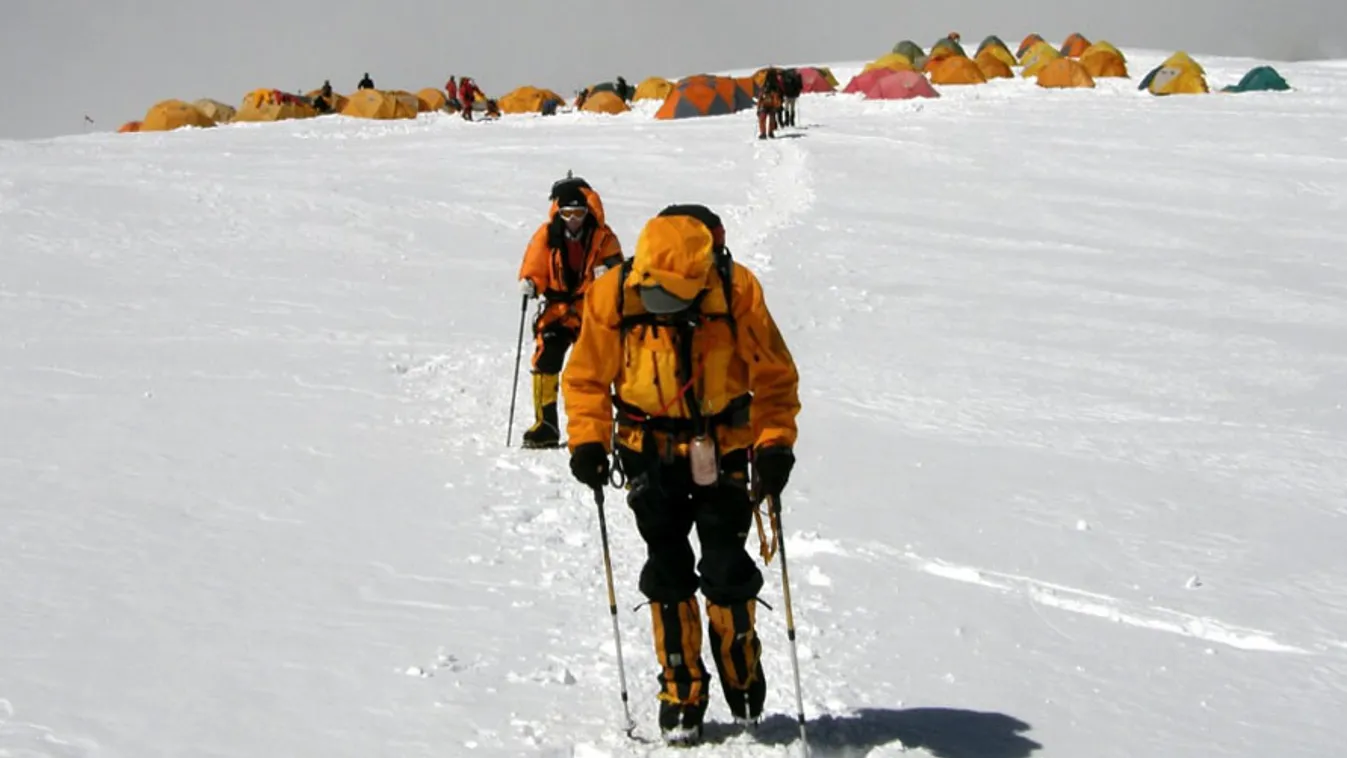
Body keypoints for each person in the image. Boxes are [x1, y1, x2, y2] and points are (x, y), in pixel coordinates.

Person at [562, 206, 800, 745]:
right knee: (666, 568)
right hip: (648, 453)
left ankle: (742, 676)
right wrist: (588, 441)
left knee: (726, 566)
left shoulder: (737, 292)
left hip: (728, 451)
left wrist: (774, 446)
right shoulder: (612, 294)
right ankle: (681, 690)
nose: (665, 311)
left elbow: (776, 380)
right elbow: (585, 379)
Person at [515, 177, 624, 449]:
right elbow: (535, 264)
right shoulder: (546, 235)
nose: (573, 219)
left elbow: (619, 270)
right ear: (558, 213)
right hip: (558, 309)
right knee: (546, 356)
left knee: (598, 366)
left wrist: (608, 274)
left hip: (592, 308)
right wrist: (530, 282)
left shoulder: (603, 236)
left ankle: (606, 426)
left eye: (578, 213)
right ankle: (546, 425)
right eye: (567, 213)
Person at [756, 68, 784, 139]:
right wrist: (778, 105)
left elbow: (760, 97)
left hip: (764, 104)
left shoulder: (763, 83)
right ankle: (770, 132)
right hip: (772, 105)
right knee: (772, 119)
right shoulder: (776, 85)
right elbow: (778, 96)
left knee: (762, 119)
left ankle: (763, 133)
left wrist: (758, 107)